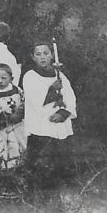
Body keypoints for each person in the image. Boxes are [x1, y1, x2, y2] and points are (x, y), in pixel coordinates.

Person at [21, 43, 78, 187]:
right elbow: (35, 101)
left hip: (60, 126)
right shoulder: (30, 76)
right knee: (41, 166)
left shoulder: (60, 75)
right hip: (41, 127)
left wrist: (63, 113)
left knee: (61, 164)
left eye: (46, 53)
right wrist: (51, 89)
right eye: (38, 54)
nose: (43, 57)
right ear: (32, 57)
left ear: (52, 55)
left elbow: (70, 96)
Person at [0, 63, 27, 171]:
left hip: (17, 127)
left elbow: (24, 102)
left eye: (4, 78)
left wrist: (21, 111)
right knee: (2, 149)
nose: (0, 81)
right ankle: (2, 173)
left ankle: (19, 171)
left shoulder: (17, 90)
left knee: (18, 147)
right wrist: (8, 117)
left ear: (11, 78)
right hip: (1, 129)